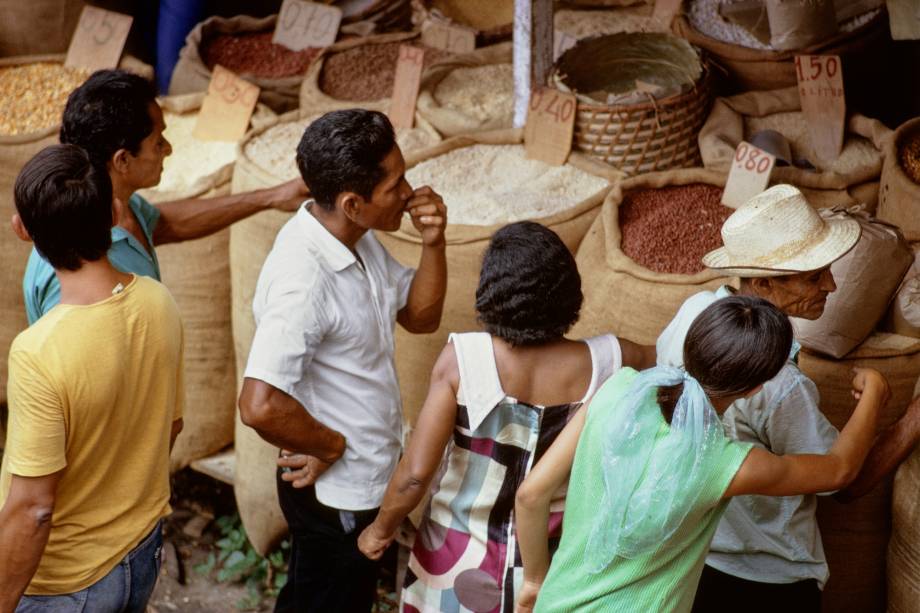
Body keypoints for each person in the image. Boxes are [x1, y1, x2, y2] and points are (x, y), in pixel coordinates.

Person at [514, 296, 890, 613]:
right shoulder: (722, 463)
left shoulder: (618, 389)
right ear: (755, 389)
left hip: (556, 602)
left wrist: (534, 580)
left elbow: (531, 495)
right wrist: (873, 393)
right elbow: (839, 470)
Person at [356, 221, 656, 612]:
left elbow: (415, 472)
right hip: (553, 562)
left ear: (491, 294)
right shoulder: (612, 359)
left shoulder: (463, 360)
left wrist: (380, 528)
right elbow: (675, 356)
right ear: (569, 294)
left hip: (457, 556)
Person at [653, 184, 920, 611]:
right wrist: (901, 413)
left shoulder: (695, 310)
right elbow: (844, 480)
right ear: (762, 283)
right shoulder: (776, 384)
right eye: (814, 276)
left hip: (695, 557)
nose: (831, 286)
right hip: (766, 578)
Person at [238, 109, 448, 613]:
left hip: (361, 478)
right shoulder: (304, 280)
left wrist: (434, 243)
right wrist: (329, 445)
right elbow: (259, 405)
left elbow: (419, 317)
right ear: (354, 204)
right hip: (338, 495)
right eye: (395, 185)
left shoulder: (355, 238)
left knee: (323, 597)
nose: (409, 191)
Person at [0, 145, 184, 611]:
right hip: (140, 551)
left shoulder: (39, 351)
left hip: (66, 582)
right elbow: (172, 426)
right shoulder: (158, 301)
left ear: (23, 230)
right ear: (116, 212)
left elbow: (34, 509)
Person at [16, 69, 307, 324]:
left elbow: (163, 224)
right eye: (158, 142)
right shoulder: (72, 268)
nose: (168, 149)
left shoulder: (119, 205)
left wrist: (271, 197)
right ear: (123, 160)